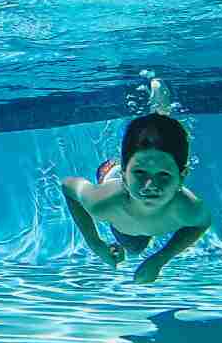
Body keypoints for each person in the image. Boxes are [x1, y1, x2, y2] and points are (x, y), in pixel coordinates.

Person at [59, 112, 212, 282]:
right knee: (133, 247)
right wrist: (95, 243)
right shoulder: (102, 201)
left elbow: (202, 223)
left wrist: (160, 259)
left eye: (164, 175)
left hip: (132, 179)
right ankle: (157, 118)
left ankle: (160, 114)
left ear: (182, 177)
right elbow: (68, 186)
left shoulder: (189, 208)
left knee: (134, 246)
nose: (150, 186)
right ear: (124, 175)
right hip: (111, 175)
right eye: (140, 173)